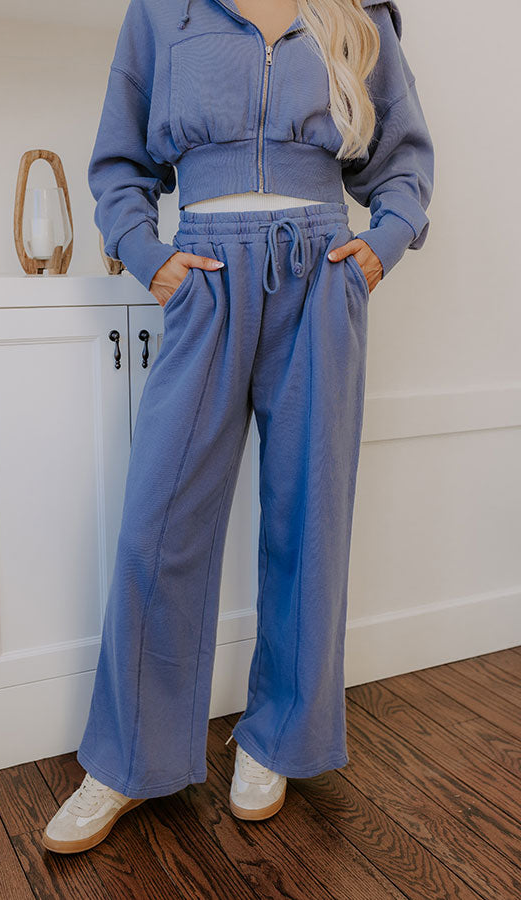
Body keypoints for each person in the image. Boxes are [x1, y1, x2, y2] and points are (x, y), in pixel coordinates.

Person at [42, 0, 433, 854]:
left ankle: (277, 740)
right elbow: (119, 161)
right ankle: (128, 760)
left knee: (308, 519)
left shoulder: (356, 13)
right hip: (207, 276)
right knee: (160, 523)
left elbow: (403, 158)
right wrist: (149, 256)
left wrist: (385, 242)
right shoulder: (163, 13)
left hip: (321, 273)